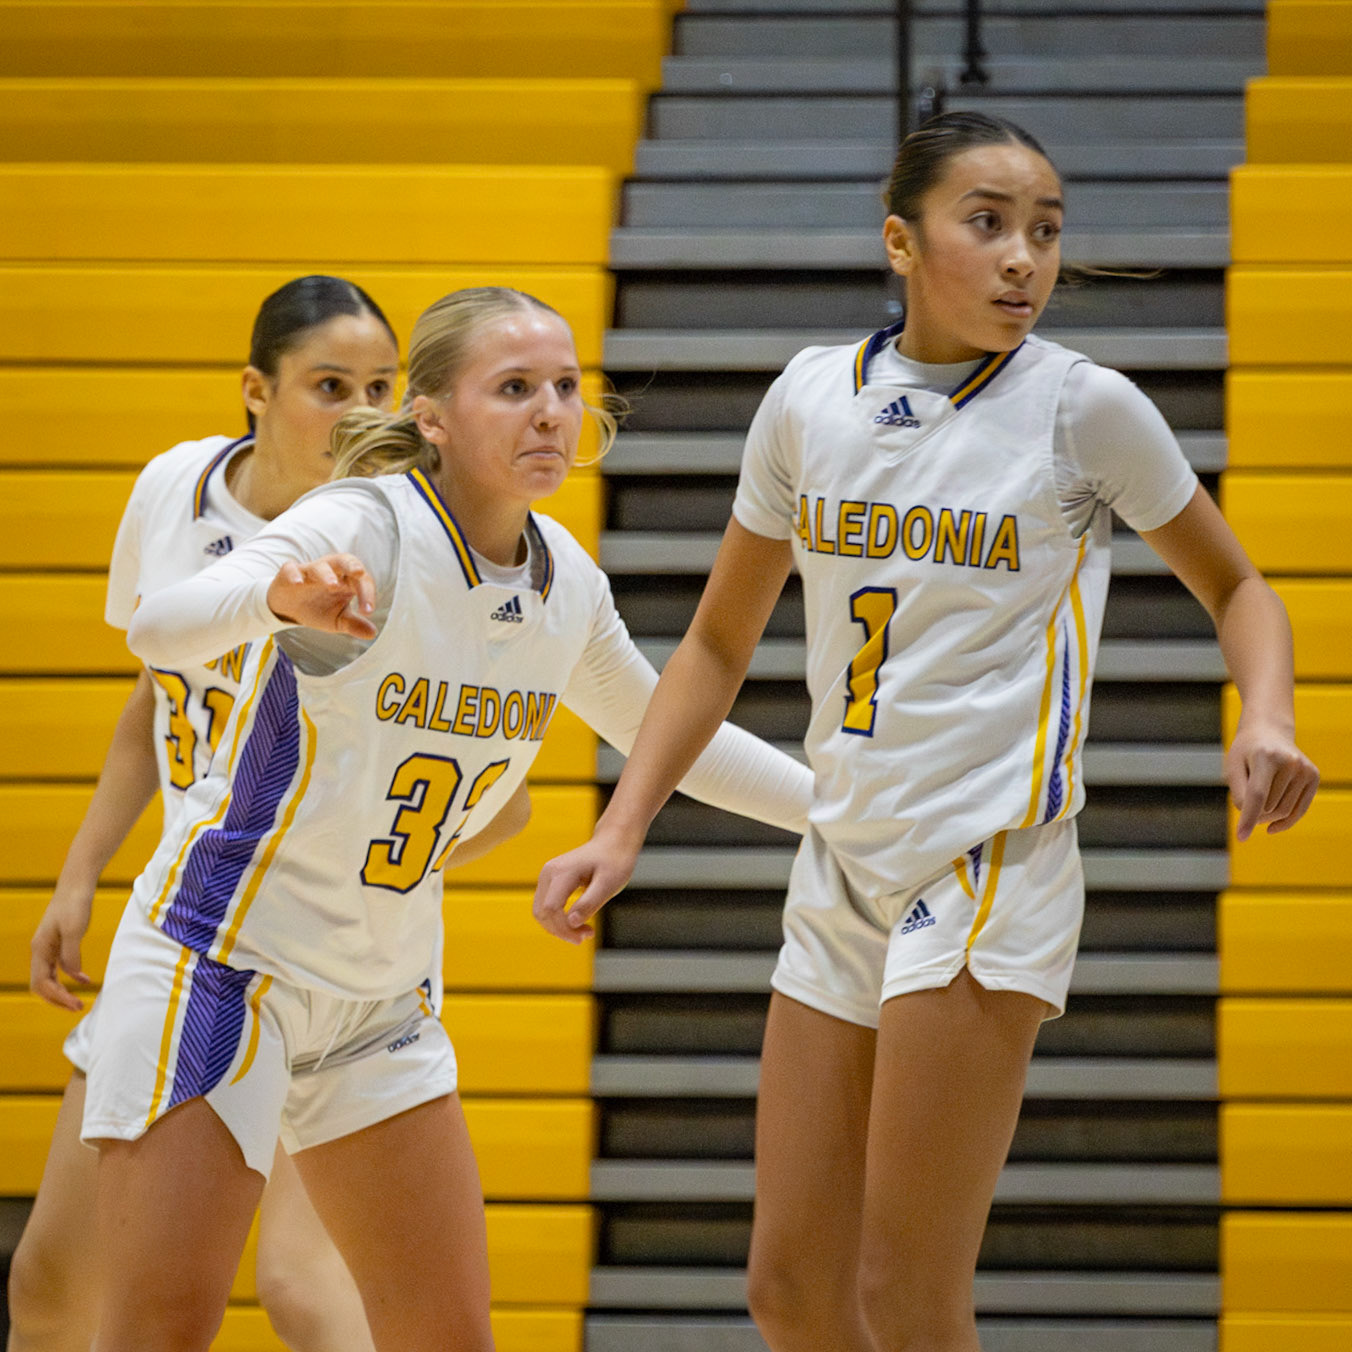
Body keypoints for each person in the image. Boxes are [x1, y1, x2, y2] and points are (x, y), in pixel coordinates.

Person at [531, 112, 1321, 1352]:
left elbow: (1239, 588)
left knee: (905, 1296)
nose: (1022, 258)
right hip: (843, 851)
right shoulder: (806, 397)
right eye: (987, 223)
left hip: (985, 857)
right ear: (899, 241)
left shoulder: (1082, 407)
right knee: (789, 1291)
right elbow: (714, 645)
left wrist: (1264, 714)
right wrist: (620, 826)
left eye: (1044, 232)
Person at [83, 286, 812, 1352]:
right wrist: (275, 596)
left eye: (563, 386)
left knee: (445, 1333)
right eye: (513, 388)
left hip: (380, 993)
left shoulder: (568, 582)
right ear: (432, 414)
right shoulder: (362, 521)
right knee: (160, 1327)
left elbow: (671, 733)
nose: (550, 412)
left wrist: (841, 815)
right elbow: (157, 626)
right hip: (224, 959)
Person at [10, 274, 420, 1352]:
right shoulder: (175, 488)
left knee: (299, 1279)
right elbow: (155, 697)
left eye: (380, 384)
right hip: (176, 920)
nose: (359, 409)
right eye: (330, 385)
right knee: (52, 1284)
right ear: (255, 389)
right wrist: (80, 869)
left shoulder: (394, 531)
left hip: (310, 936)